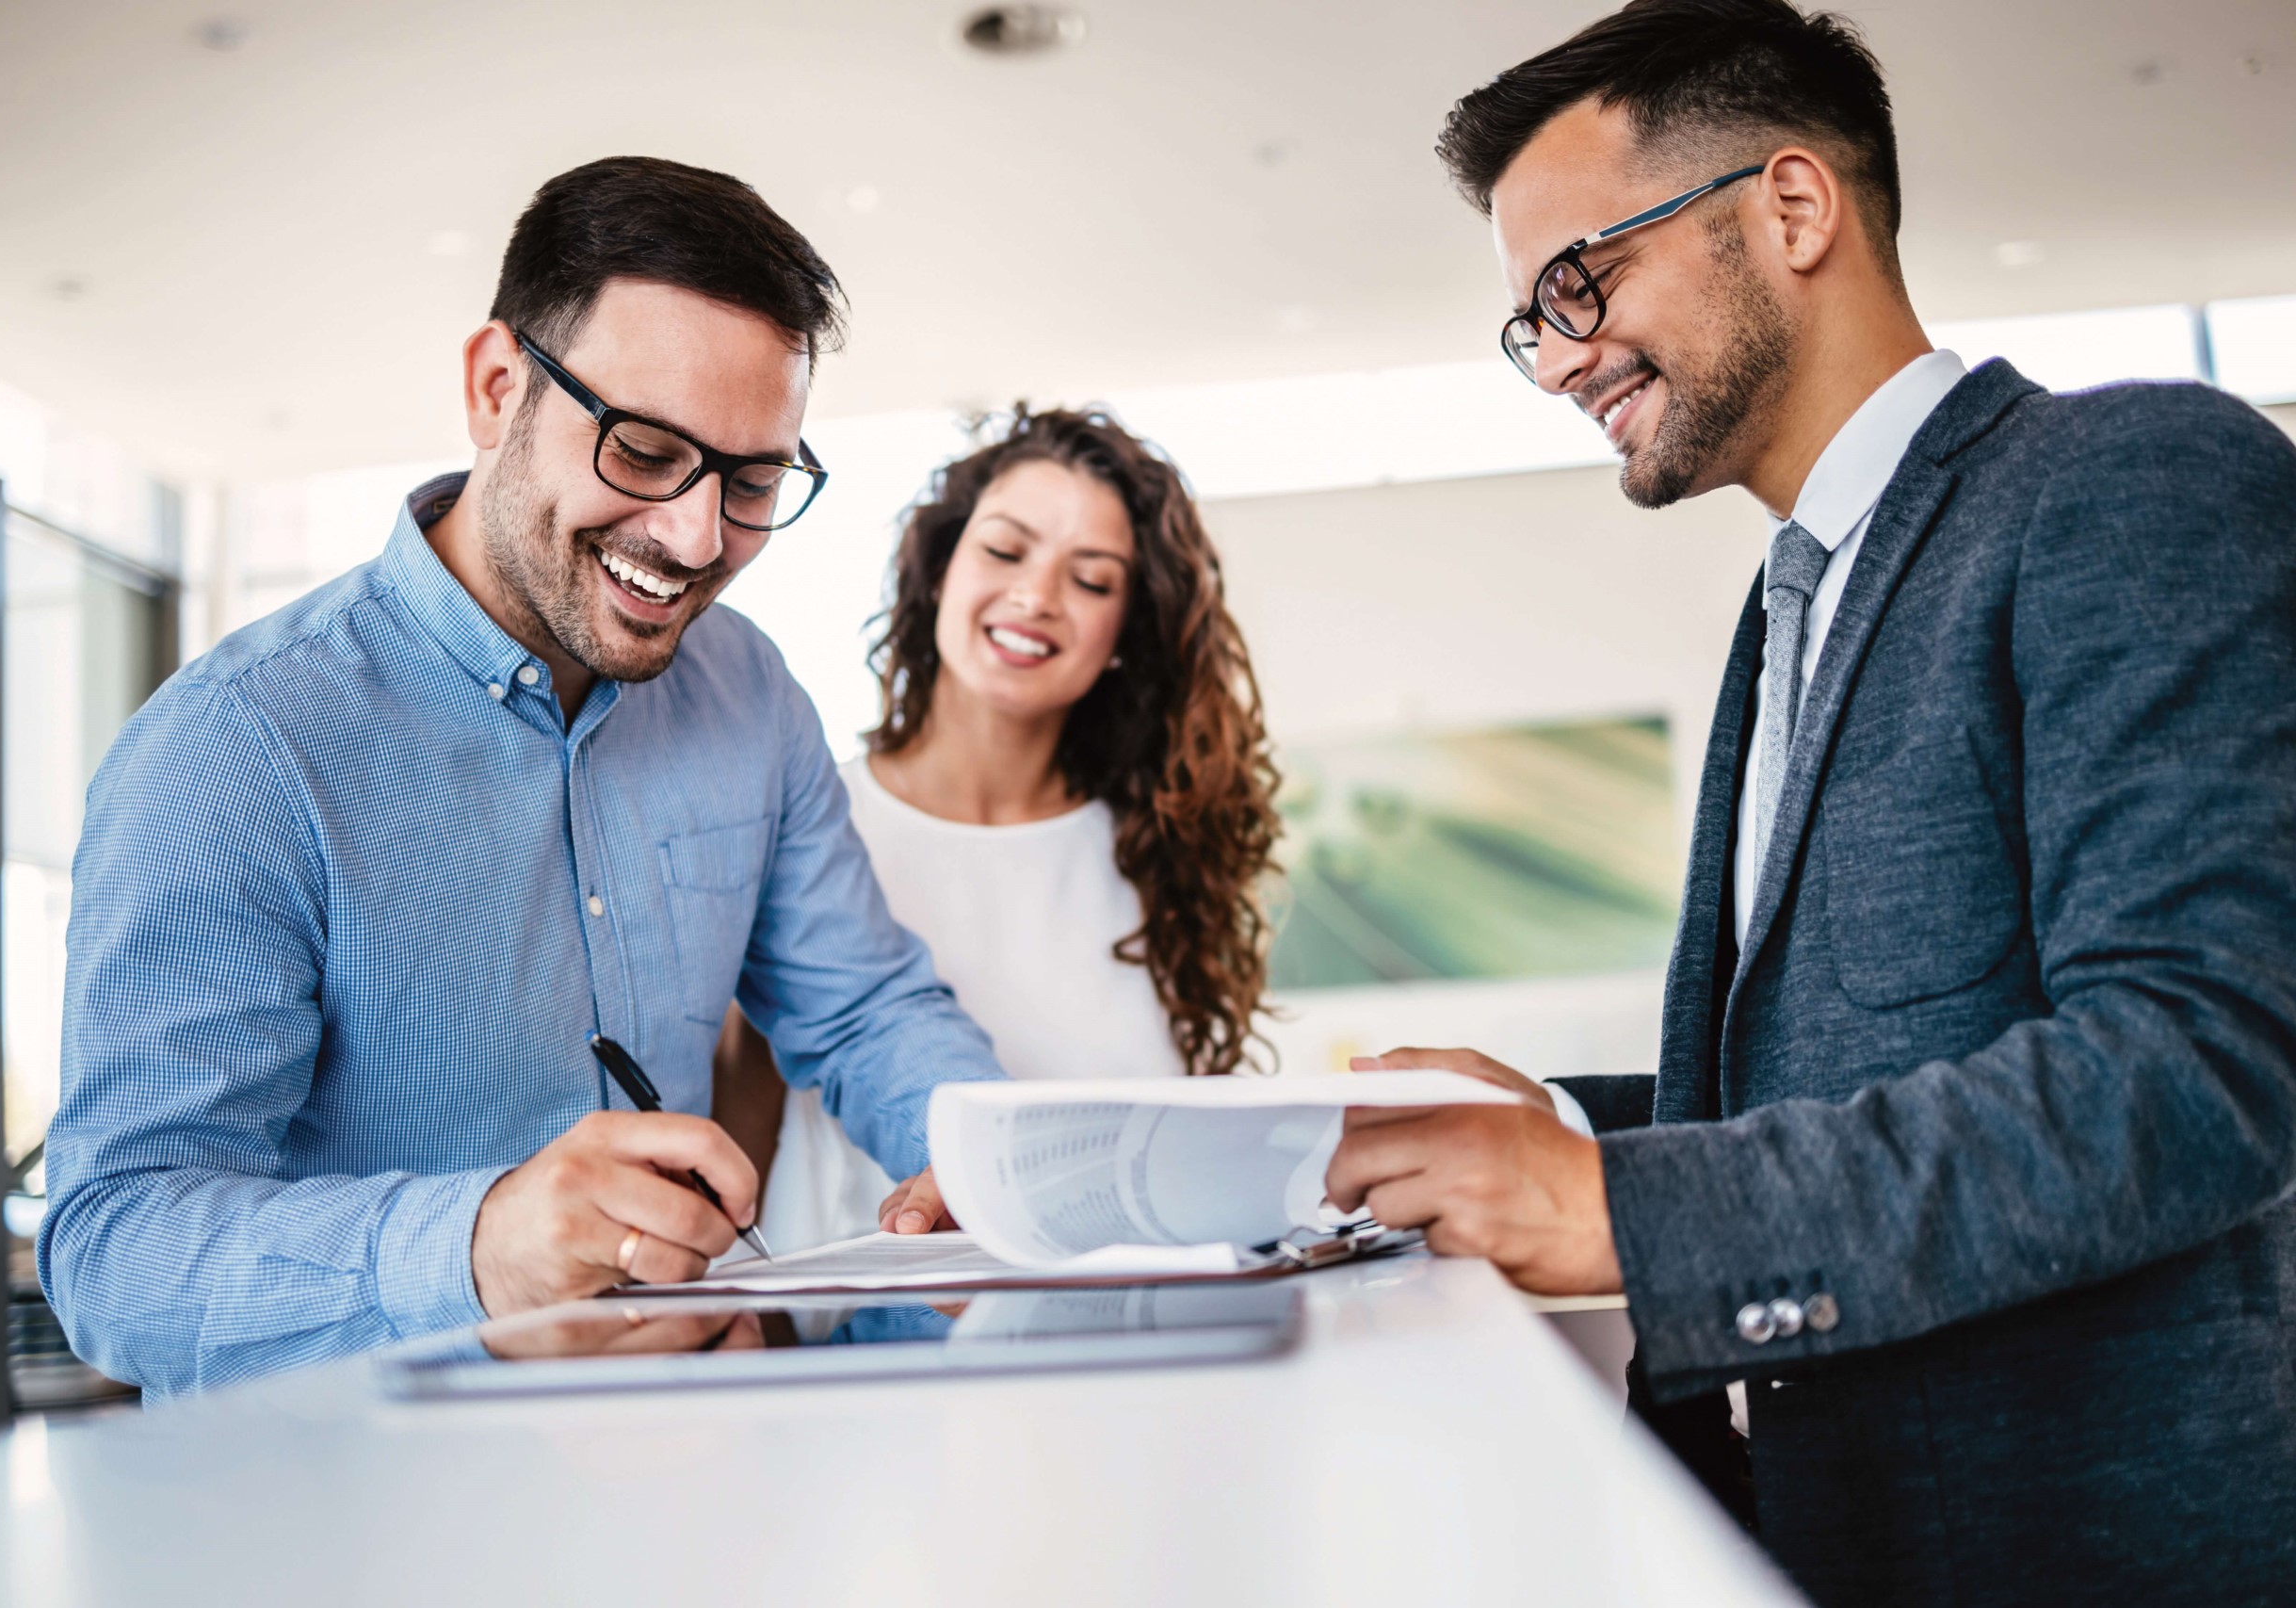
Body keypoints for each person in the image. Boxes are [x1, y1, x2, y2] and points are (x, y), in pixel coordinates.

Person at [1322, 2, 2296, 1600]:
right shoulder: (1786, 609)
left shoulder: (2131, 480)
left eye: (1582, 281)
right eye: (1530, 323)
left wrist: (1629, 1210)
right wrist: (1551, 1128)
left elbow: (2200, 1065)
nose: (1559, 357)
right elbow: (1860, 1063)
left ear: (1791, 208)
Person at [39, 157, 1007, 1398]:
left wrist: (992, 1157)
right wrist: (483, 1249)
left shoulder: (751, 692)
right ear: (498, 389)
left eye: (754, 481)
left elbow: (864, 1006)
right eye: (647, 448)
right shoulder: (235, 748)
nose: (698, 538)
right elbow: (116, 1249)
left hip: (687, 1469)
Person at [747, 406, 1281, 1252]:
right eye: (1004, 549)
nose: (1036, 596)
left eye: (1092, 579)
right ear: (938, 569)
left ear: (1124, 633)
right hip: (868, 1360)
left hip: (1133, 1343)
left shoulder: (1157, 852)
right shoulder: (804, 827)